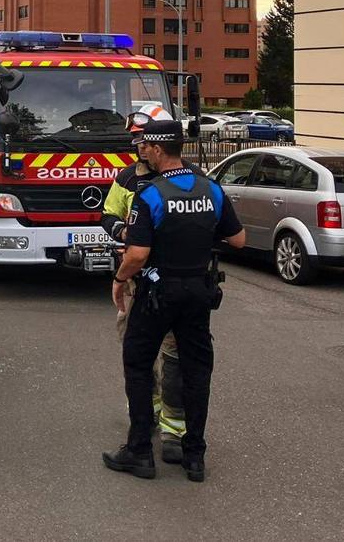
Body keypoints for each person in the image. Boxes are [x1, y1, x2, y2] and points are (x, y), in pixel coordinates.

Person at [103, 119, 245, 482]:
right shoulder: (210, 189)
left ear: (157, 149)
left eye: (145, 146)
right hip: (199, 291)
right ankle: (194, 456)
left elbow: (137, 253)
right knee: (197, 370)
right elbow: (239, 239)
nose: (142, 150)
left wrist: (120, 279)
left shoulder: (152, 194)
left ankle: (139, 452)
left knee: (137, 362)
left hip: (157, 291)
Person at [99, 103, 202, 465]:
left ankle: (174, 430)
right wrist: (123, 230)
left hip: (172, 280)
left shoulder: (191, 176)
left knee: (174, 357)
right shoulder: (127, 178)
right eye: (136, 140)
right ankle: (145, 418)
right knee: (136, 354)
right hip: (137, 280)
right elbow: (107, 214)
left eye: (145, 139)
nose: (140, 146)